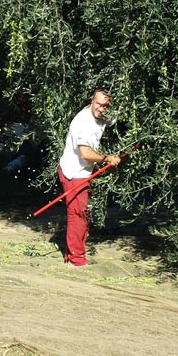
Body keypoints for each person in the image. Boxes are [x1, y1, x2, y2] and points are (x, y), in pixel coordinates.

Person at [57, 89, 122, 267]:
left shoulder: (103, 115)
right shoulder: (82, 123)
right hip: (74, 173)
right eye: (99, 104)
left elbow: (117, 118)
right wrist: (107, 158)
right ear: (92, 100)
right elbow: (85, 154)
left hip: (84, 172)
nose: (101, 109)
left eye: (106, 106)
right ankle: (76, 259)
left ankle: (73, 254)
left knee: (84, 214)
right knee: (78, 216)